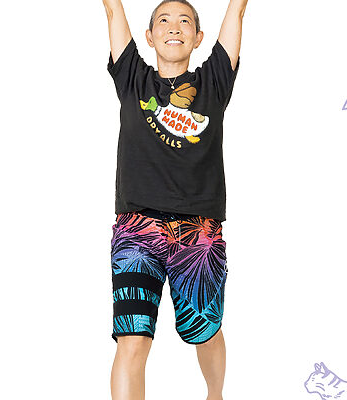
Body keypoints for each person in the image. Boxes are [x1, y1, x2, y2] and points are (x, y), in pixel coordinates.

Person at [103, 0, 247, 398]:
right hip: (136, 230)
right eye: (163, 21)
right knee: (132, 338)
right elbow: (114, 12)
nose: (173, 27)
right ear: (149, 37)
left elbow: (236, 13)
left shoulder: (214, 81)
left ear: (198, 38)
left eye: (185, 21)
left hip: (198, 231)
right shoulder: (133, 78)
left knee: (204, 330)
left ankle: (215, 395)